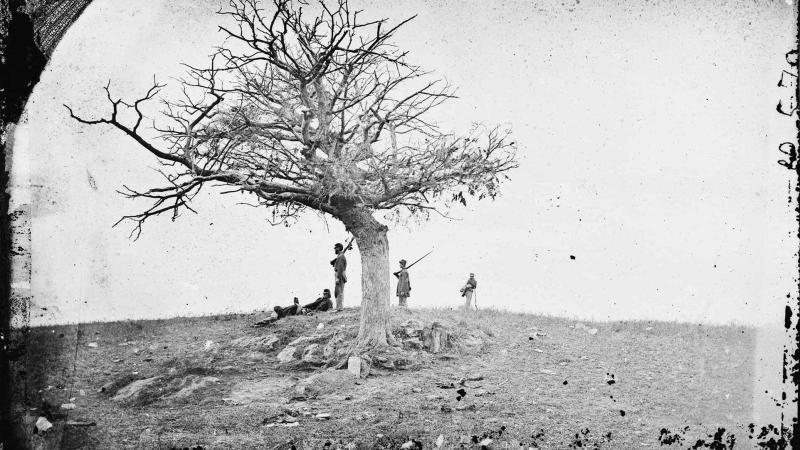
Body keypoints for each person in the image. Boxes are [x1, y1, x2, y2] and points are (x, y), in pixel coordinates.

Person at [330, 242, 347, 310]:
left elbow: (340, 269)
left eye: (336, 248)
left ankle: (339, 308)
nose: (335, 250)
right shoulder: (340, 256)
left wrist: (337, 278)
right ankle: (339, 308)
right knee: (339, 291)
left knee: (338, 291)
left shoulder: (340, 257)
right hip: (340, 275)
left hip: (339, 275)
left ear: (339, 248)